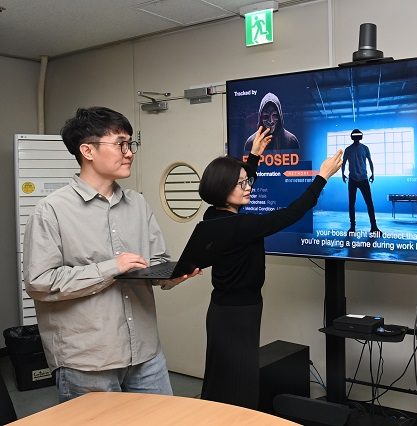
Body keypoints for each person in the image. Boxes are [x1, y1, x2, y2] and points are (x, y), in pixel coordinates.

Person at [22, 107, 199, 402]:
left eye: (131, 144)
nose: (129, 153)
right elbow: (39, 283)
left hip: (145, 353)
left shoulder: (137, 204)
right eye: (120, 144)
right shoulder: (51, 211)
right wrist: (111, 268)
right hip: (87, 361)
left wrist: (170, 276)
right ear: (87, 151)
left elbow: (155, 261)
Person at [198, 126, 342, 408]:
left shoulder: (213, 215)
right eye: (241, 184)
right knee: (240, 382)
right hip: (240, 313)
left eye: (247, 181)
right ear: (223, 189)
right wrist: (322, 176)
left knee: (221, 377)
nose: (249, 187)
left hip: (222, 310)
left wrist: (253, 157)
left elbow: (237, 187)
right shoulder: (242, 225)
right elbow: (292, 213)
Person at [342, 129, 381, 236]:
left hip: (361, 179)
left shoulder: (360, 148)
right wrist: (342, 174)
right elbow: (344, 163)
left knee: (365, 203)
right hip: (356, 179)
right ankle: (355, 227)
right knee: (358, 203)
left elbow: (370, 161)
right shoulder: (353, 149)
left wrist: (372, 174)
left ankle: (371, 226)